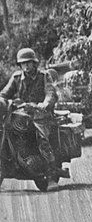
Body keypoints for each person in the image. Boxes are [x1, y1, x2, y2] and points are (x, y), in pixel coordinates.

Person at [0, 48, 67, 178]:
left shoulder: (43, 76)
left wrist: (45, 104)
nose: (26, 65)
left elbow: (50, 93)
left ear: (34, 63)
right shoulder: (16, 78)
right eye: (23, 63)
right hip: (20, 114)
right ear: (20, 65)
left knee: (41, 136)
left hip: (40, 115)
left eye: (28, 62)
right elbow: (4, 94)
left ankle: (51, 169)